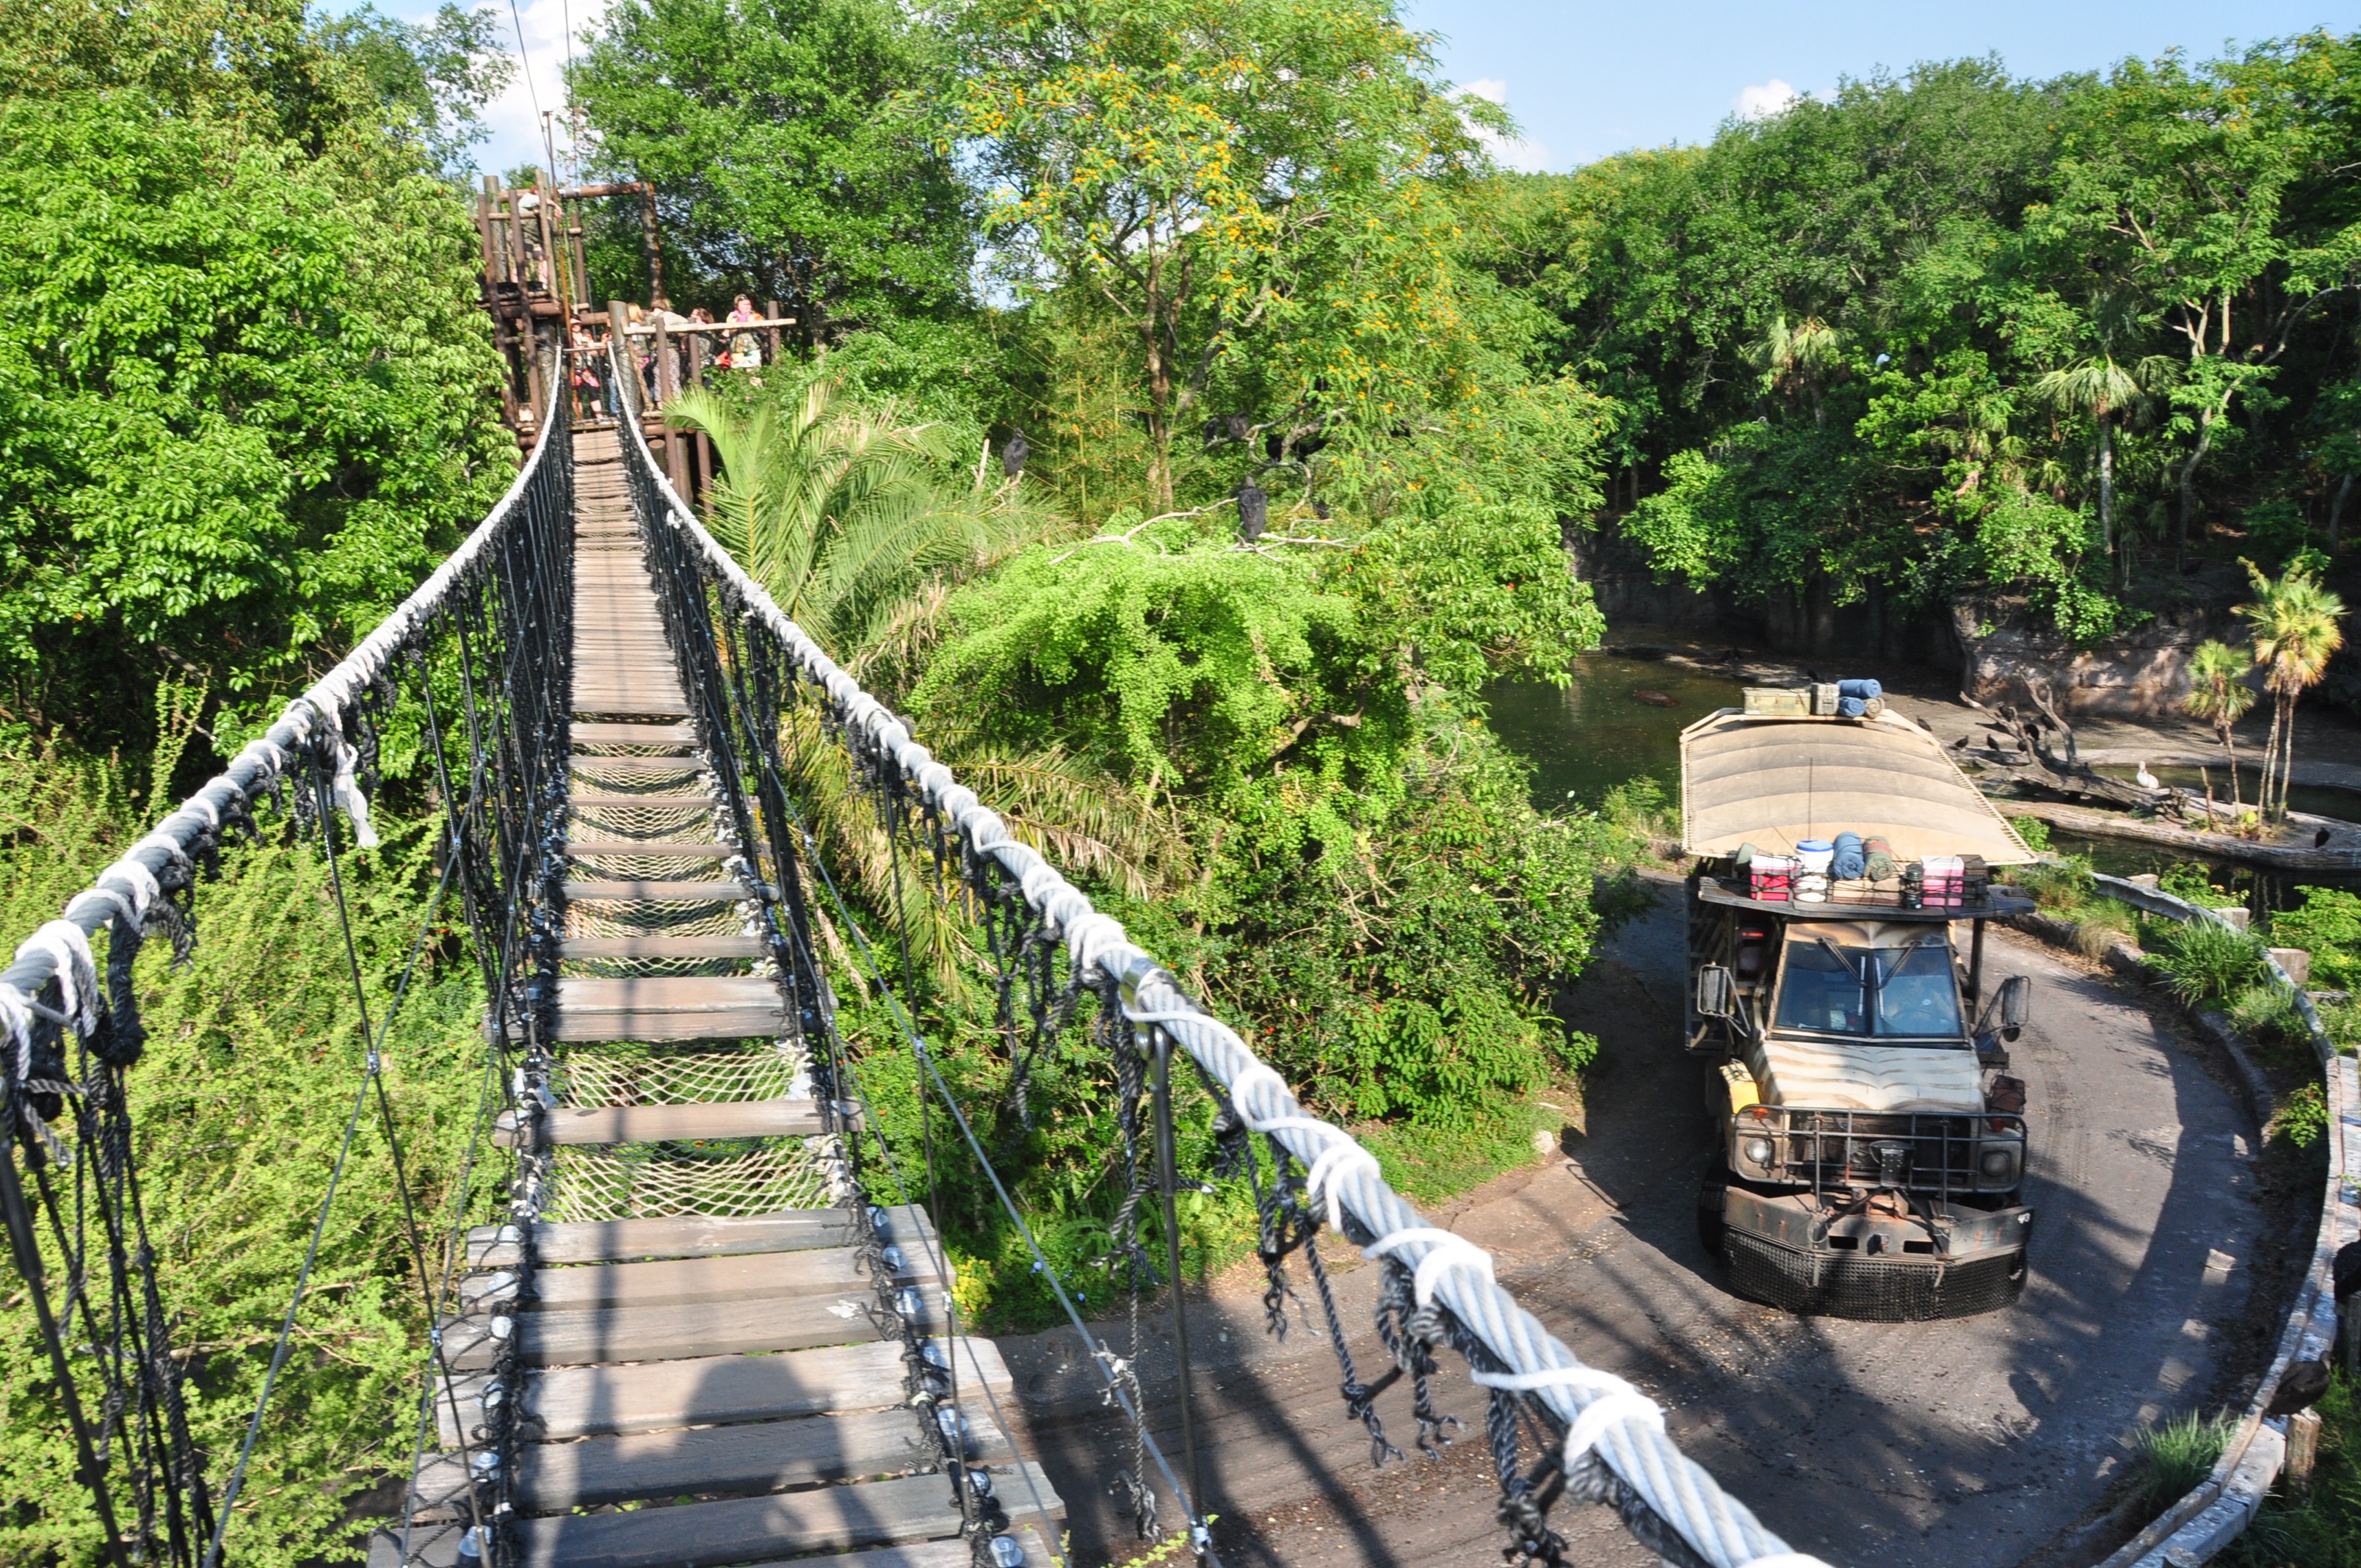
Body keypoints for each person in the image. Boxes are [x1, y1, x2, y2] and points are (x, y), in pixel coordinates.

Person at [728, 294, 762, 371]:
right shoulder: (733, 316)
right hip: (737, 348)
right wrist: (741, 322)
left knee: (754, 373)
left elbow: (763, 329)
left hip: (752, 348)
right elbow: (729, 330)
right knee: (738, 374)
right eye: (744, 304)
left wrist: (751, 321)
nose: (747, 306)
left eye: (749, 304)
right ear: (737, 306)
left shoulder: (756, 315)